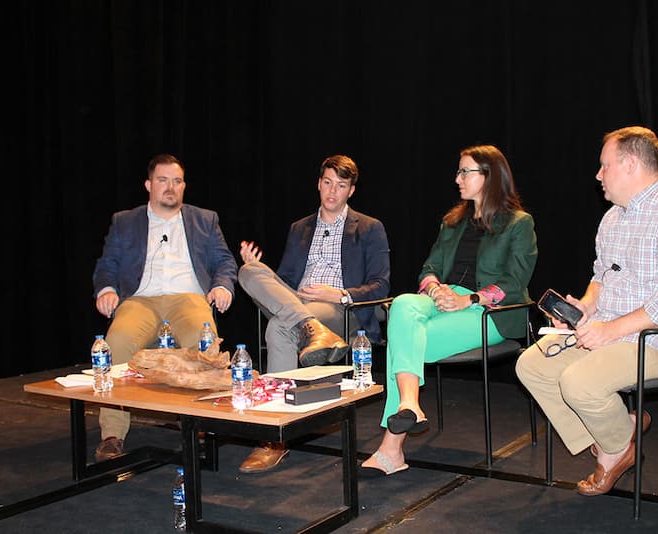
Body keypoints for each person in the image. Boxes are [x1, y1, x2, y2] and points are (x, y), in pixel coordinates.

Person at [516, 126, 658, 496]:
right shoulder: (613, 218)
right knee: (532, 365)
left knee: (579, 382)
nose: (598, 175)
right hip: (615, 331)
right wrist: (586, 306)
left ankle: (615, 451)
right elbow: (601, 277)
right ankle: (617, 434)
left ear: (630, 165)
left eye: (604, 165)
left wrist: (610, 330)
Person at [360, 144, 537, 476]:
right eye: (458, 171)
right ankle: (409, 404)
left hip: (488, 312)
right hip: (444, 300)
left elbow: (514, 283)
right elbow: (429, 268)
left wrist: (468, 300)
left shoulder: (518, 223)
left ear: (490, 176)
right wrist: (436, 289)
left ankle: (392, 447)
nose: (457, 179)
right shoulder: (453, 222)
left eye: (465, 171)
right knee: (403, 303)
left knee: (403, 341)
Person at [237, 154, 390, 472]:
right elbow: (285, 280)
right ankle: (309, 326)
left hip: (339, 308)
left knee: (278, 327)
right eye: (327, 183)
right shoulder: (300, 228)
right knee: (249, 272)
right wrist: (259, 269)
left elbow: (380, 285)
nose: (332, 191)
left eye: (341, 185)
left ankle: (275, 437)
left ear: (351, 191)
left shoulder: (369, 228)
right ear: (318, 184)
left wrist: (339, 294)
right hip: (298, 301)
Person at [92, 153, 237, 462]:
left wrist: (222, 286)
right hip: (140, 300)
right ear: (149, 185)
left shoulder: (204, 219)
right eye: (163, 180)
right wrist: (106, 290)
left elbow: (224, 261)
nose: (170, 187)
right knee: (116, 342)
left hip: (188, 298)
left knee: (204, 341)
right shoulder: (125, 221)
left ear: (184, 186)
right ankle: (113, 433)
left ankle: (200, 426)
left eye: (177, 181)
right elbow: (107, 264)